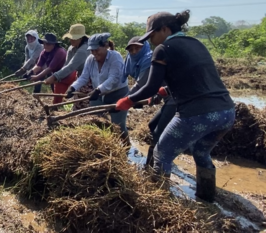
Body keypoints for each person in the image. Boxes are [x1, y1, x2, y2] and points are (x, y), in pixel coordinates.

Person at [115, 10, 235, 202]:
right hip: (226, 112)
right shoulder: (196, 43)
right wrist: (166, 91)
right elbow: (195, 77)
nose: (151, 40)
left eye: (152, 35)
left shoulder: (164, 48)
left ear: (164, 29)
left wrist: (128, 101)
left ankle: (157, 201)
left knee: (162, 152)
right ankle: (206, 198)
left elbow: (150, 86)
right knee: (201, 152)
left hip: (196, 114)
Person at [123, 37, 176, 168]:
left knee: (158, 132)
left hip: (176, 99)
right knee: (153, 125)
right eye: (131, 49)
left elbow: (143, 85)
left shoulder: (150, 59)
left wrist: (125, 100)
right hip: (166, 98)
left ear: (145, 47)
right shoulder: (132, 61)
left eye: (137, 48)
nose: (134, 52)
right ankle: (157, 160)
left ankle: (156, 167)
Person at [65, 33, 129, 137]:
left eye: (96, 49)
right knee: (96, 122)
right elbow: (84, 77)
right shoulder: (90, 59)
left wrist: (98, 90)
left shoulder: (115, 57)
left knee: (119, 127)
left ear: (106, 46)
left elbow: (114, 78)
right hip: (99, 95)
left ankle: (125, 148)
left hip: (117, 95)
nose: (94, 53)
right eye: (92, 50)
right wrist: (73, 87)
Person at [44, 24, 91, 110]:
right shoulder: (71, 48)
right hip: (80, 77)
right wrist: (57, 78)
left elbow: (71, 67)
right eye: (70, 37)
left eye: (74, 38)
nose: (71, 40)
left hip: (90, 78)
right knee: (77, 103)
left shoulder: (84, 50)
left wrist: (54, 76)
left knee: (86, 104)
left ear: (81, 38)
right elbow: (66, 65)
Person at [26, 33, 67, 104]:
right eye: (44, 44)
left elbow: (50, 68)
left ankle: (60, 104)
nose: (45, 46)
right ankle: (57, 103)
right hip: (55, 74)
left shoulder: (60, 52)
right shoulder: (44, 52)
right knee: (54, 87)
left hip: (65, 73)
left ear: (54, 44)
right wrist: (31, 72)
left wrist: (37, 77)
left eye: (48, 44)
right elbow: (39, 65)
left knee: (62, 93)